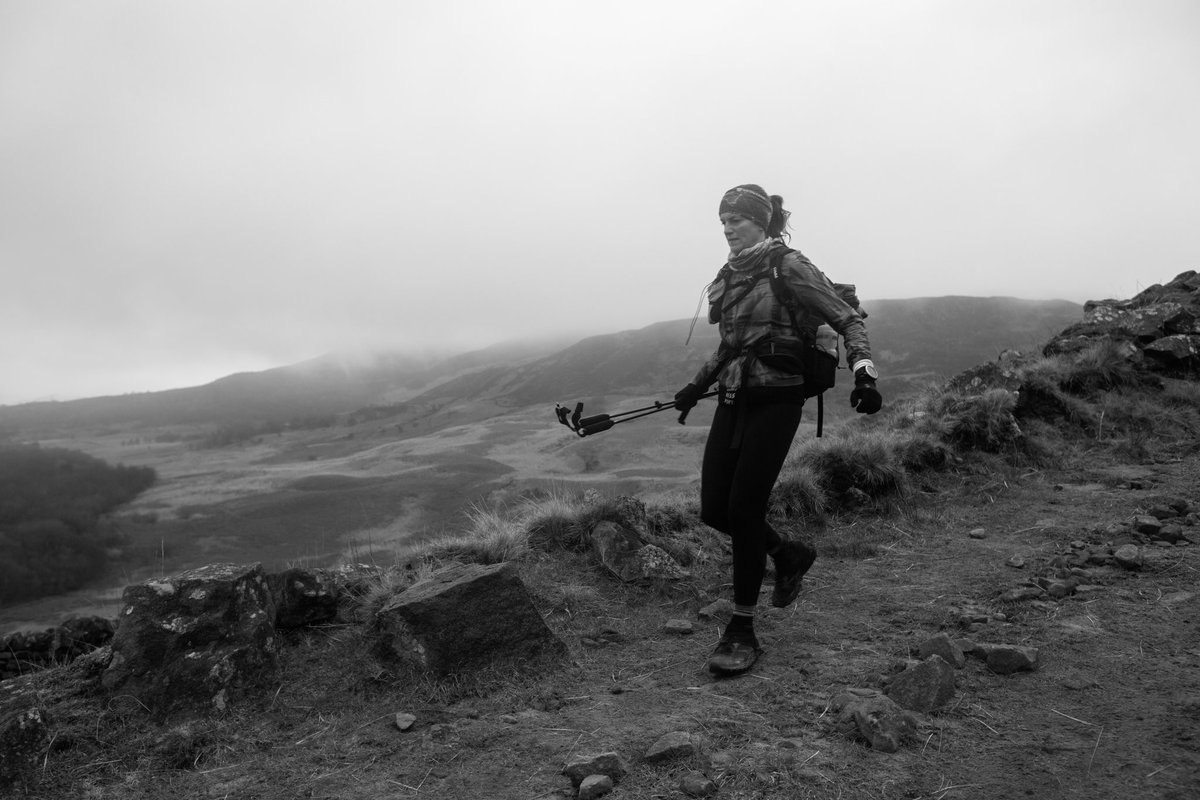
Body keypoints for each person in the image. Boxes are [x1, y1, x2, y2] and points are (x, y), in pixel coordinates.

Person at [674, 183, 882, 677]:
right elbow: (732, 345)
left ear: (761, 222)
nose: (727, 228)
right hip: (734, 394)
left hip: (780, 396)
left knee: (744, 508)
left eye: (736, 220)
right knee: (714, 509)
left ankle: (741, 629)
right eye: (722, 220)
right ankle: (787, 554)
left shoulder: (787, 265)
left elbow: (846, 318)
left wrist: (864, 373)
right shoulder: (729, 274)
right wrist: (692, 386)